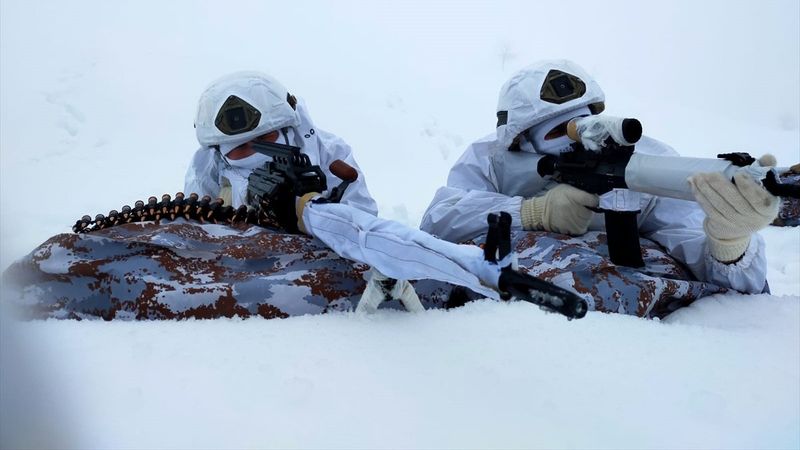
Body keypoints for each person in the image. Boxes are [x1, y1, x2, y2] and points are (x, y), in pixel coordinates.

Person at [184, 71, 576, 316]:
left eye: (266, 139)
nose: (253, 154)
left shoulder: (328, 154)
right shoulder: (209, 168)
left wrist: (309, 210)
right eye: (239, 149)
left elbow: (361, 227)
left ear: (289, 128)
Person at [421, 59, 779, 313]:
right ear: (522, 142)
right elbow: (438, 221)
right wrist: (531, 212)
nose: (577, 140)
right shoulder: (491, 158)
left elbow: (725, 273)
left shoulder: (645, 161)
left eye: (584, 123)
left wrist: (730, 245)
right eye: (559, 131)